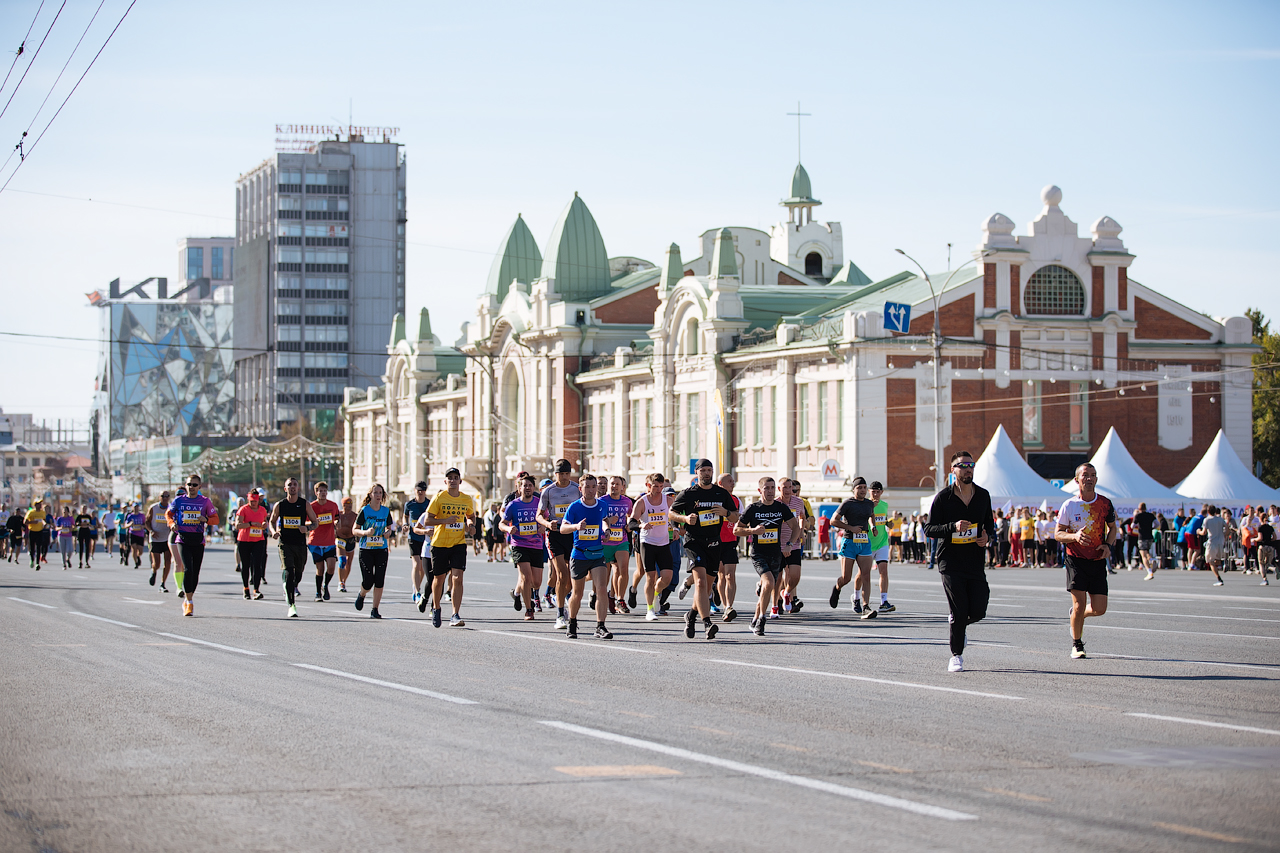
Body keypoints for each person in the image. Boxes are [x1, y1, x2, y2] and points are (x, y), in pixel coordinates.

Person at [924, 452, 995, 673]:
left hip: (974, 561)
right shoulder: (943, 498)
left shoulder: (983, 496)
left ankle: (958, 624)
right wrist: (952, 527)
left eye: (971, 465)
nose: (968, 469)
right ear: (953, 470)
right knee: (959, 609)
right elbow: (929, 529)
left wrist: (986, 538)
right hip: (950, 562)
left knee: (979, 610)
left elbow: (989, 526)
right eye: (962, 466)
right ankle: (956, 655)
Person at [670, 459, 737, 640]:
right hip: (694, 542)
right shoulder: (688, 494)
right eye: (703, 470)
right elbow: (671, 513)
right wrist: (684, 519)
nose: (707, 473)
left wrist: (726, 514)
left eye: (710, 470)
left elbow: (736, 516)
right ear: (697, 472)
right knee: (700, 583)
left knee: (706, 587)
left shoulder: (721, 493)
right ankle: (707, 623)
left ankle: (691, 616)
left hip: (714, 543)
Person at [1055, 463, 1117, 660]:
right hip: (1076, 560)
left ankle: (1075, 615)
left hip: (1097, 560)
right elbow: (1058, 534)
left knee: (1099, 609)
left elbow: (1113, 528)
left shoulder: (1105, 503)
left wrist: (1108, 545)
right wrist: (1074, 537)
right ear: (1077, 480)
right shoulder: (1069, 505)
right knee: (1080, 604)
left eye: (1093, 475)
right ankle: (1077, 644)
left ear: (1096, 479)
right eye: (1085, 475)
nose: (1089, 478)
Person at [735, 476, 796, 637]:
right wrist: (752, 531)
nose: (770, 491)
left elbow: (795, 527)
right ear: (760, 490)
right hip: (758, 554)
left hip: (776, 554)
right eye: (766, 488)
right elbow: (736, 530)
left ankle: (754, 619)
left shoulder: (781, 508)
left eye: (772, 488)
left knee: (768, 588)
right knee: (769, 583)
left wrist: (790, 543)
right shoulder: (753, 509)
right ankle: (762, 619)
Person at [416, 467, 475, 628]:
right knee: (439, 579)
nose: (453, 480)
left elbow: (470, 515)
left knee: (457, 577)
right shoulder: (439, 498)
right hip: (439, 543)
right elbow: (427, 520)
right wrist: (445, 520)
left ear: (460, 481)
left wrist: (470, 524)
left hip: (458, 543)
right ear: (445, 481)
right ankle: (436, 607)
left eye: (456, 477)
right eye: (450, 478)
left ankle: (455, 614)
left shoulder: (466, 499)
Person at [559, 473, 615, 640]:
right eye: (587, 487)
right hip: (579, 555)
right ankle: (573, 622)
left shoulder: (602, 504)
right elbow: (563, 528)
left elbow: (604, 520)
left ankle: (600, 626)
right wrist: (577, 526)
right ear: (580, 489)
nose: (591, 490)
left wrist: (606, 530)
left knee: (602, 589)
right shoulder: (574, 507)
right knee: (578, 593)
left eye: (593, 486)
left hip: (597, 553)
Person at [166, 475, 219, 616]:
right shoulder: (179, 500)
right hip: (182, 538)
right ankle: (189, 601)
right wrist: (172, 524)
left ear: (200, 487)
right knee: (188, 569)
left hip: (198, 539)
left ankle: (189, 597)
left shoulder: (205, 502)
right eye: (189, 484)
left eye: (195, 485)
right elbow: (168, 514)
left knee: (195, 571)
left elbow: (216, 519)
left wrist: (206, 519)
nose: (192, 487)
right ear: (186, 485)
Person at [538, 459, 582, 629]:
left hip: (572, 534)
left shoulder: (576, 489)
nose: (564, 477)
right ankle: (560, 615)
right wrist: (548, 524)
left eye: (566, 474)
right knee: (561, 575)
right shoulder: (548, 491)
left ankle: (560, 597)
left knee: (572, 577)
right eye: (560, 474)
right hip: (555, 534)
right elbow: (539, 515)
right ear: (555, 474)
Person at [828, 478, 877, 618]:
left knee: (866, 575)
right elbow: (833, 520)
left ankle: (866, 606)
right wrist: (850, 528)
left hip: (864, 542)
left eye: (864, 487)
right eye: (859, 487)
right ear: (854, 489)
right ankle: (837, 588)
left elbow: (871, 515)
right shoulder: (847, 503)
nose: (862, 490)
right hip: (849, 541)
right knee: (846, 577)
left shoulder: (869, 504)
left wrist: (873, 526)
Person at [270, 477, 318, 618]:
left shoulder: (305, 504)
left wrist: (307, 528)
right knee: (289, 571)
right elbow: (272, 521)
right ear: (285, 489)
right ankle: (292, 605)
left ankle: (289, 585)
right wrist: (274, 532)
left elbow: (315, 522)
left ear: (298, 488)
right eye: (289, 485)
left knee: (298, 573)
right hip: (285, 543)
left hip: (300, 544)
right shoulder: (280, 505)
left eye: (295, 485)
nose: (292, 487)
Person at [629, 472, 674, 621]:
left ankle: (656, 593)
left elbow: (675, 517)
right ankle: (650, 610)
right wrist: (641, 525)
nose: (659, 489)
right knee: (650, 576)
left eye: (661, 486)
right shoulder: (642, 502)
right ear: (648, 486)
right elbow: (631, 523)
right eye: (655, 486)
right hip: (647, 543)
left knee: (667, 578)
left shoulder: (667, 501)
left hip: (663, 542)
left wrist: (675, 529)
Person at [502, 473, 545, 620]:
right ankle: (529, 609)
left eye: (530, 485)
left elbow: (547, 518)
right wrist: (508, 529)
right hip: (519, 544)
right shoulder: (513, 505)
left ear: (533, 488)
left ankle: (517, 593)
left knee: (536, 582)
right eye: (524, 485)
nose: (527, 488)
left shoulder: (539, 503)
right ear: (519, 488)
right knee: (526, 578)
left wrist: (544, 527)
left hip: (537, 545)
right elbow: (501, 523)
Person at [351, 483, 392, 618]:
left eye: (380, 493)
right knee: (368, 581)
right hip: (366, 549)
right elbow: (354, 530)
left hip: (381, 549)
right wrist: (365, 532)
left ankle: (375, 609)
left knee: (379, 580)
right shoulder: (365, 511)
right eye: (376, 492)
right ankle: (362, 594)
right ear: (370, 495)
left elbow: (389, 528)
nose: (378, 495)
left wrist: (388, 532)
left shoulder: (385, 511)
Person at [599, 475, 635, 616]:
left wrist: (630, 525)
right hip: (605, 541)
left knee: (623, 569)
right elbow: (597, 518)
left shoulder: (627, 502)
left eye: (617, 484)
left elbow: (633, 517)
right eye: (612, 484)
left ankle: (620, 599)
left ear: (622, 487)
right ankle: (605, 597)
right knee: (605, 574)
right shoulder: (602, 501)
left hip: (621, 540)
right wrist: (608, 521)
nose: (614, 486)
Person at [714, 472, 740, 622]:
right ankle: (724, 605)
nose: (733, 483)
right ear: (720, 484)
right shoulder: (715, 499)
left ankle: (729, 606)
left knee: (730, 575)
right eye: (729, 481)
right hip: (717, 540)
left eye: (733, 480)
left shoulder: (736, 500)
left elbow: (739, 516)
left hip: (731, 541)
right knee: (721, 575)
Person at [233, 489, 268, 599]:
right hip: (244, 540)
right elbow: (237, 525)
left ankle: (256, 590)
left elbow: (265, 521)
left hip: (258, 540)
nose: (253, 503)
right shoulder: (243, 510)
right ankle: (246, 588)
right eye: (251, 501)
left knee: (257, 565)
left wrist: (264, 524)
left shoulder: (262, 510)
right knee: (246, 565)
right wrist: (250, 524)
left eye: (255, 501)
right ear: (248, 499)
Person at [308, 481, 340, 602]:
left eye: (325, 491)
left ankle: (326, 585)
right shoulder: (311, 507)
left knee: (331, 567)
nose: (323, 493)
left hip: (330, 541)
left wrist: (337, 523)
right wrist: (314, 522)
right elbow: (305, 522)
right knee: (320, 568)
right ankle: (318, 592)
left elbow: (337, 518)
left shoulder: (333, 505)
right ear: (316, 493)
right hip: (315, 542)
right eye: (320, 491)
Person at [402, 481, 432, 605]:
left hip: (425, 539)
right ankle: (417, 591)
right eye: (419, 490)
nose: (421, 492)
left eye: (423, 490)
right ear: (415, 490)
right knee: (416, 563)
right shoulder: (409, 504)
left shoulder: (429, 504)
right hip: (413, 537)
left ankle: (416, 585)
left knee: (423, 568)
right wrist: (405, 524)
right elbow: (405, 516)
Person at [867, 481, 895, 613]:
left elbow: (883, 520)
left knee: (883, 571)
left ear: (881, 492)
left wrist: (889, 524)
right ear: (869, 492)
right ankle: (857, 597)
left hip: (882, 543)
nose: (876, 494)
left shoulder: (884, 505)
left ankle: (884, 601)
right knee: (863, 574)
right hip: (867, 544)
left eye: (878, 492)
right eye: (873, 492)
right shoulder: (865, 505)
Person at [145, 492, 173, 589]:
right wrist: (151, 531)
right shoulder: (153, 508)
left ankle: (163, 583)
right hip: (155, 538)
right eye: (163, 496)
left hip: (167, 538)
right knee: (157, 563)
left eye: (167, 496)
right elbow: (147, 522)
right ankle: (154, 571)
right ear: (159, 497)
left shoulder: (171, 508)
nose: (165, 498)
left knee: (168, 562)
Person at [334, 496, 358, 593]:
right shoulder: (338, 515)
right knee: (342, 560)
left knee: (349, 563)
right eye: (347, 505)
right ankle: (341, 582)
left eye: (351, 504)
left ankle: (344, 581)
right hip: (340, 539)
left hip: (351, 539)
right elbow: (332, 523)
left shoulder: (354, 516)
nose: (349, 507)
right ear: (343, 505)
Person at [1201, 506, 1228, 586]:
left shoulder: (1207, 520)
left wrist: (1198, 531)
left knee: (1210, 561)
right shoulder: (1220, 519)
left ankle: (1219, 578)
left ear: (1208, 512)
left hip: (1212, 542)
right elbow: (1227, 527)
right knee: (1217, 559)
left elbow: (1204, 532)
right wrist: (1225, 536)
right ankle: (1223, 564)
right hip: (1220, 542)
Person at [1132, 502, 1156, 580]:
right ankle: (1152, 560)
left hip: (1142, 537)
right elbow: (1157, 523)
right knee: (1147, 551)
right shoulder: (1151, 515)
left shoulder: (1138, 516)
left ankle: (1149, 572)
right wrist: (1152, 528)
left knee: (1143, 555)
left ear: (1139, 509)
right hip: (1150, 536)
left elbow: (1132, 526)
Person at [25, 498, 48, 569]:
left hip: (39, 531)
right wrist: (32, 522)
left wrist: (44, 524)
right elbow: (25, 522)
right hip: (32, 531)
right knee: (32, 548)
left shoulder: (43, 512)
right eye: (38, 504)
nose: (40, 505)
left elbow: (43, 520)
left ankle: (38, 563)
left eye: (41, 504)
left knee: (39, 547)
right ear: (35, 505)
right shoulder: (31, 512)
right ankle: (32, 560)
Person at [125, 502, 147, 568]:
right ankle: (136, 562)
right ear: (132, 508)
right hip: (132, 533)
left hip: (140, 534)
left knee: (140, 550)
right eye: (134, 507)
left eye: (137, 507)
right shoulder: (130, 516)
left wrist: (142, 526)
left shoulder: (142, 516)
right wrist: (130, 524)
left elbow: (145, 524)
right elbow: (126, 525)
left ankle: (138, 556)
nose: (136, 508)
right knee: (133, 548)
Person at [74, 504, 96, 569]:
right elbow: (76, 524)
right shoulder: (79, 516)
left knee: (87, 547)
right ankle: (80, 561)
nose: (84, 510)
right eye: (83, 508)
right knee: (81, 547)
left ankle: (87, 562)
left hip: (87, 531)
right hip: (81, 531)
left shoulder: (88, 516)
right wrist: (80, 524)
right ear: (81, 509)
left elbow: (90, 524)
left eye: (85, 508)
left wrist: (90, 525)